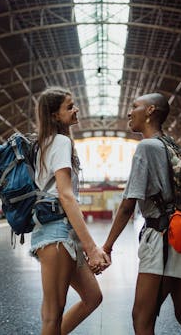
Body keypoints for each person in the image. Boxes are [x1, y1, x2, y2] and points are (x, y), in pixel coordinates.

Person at [102, 93, 181, 335]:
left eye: (134, 107)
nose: (129, 112)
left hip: (161, 240)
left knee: (142, 318)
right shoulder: (170, 144)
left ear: (150, 111)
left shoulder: (147, 147)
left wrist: (107, 246)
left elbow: (128, 205)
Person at [30, 86, 110, 335]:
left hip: (64, 235)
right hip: (56, 235)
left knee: (92, 297)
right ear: (55, 116)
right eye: (69, 106)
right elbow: (65, 195)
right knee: (52, 316)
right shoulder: (60, 141)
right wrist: (92, 248)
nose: (76, 109)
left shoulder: (48, 143)